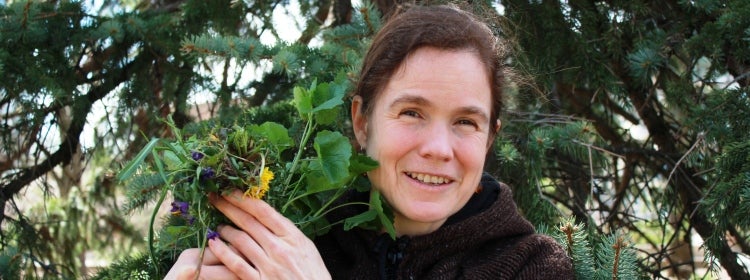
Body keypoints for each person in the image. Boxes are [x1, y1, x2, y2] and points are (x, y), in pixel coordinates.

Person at [166, 4, 574, 280]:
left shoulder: (532, 267)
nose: (438, 148)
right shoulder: (289, 247)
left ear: (489, 139)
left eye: (466, 121)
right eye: (412, 112)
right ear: (362, 123)